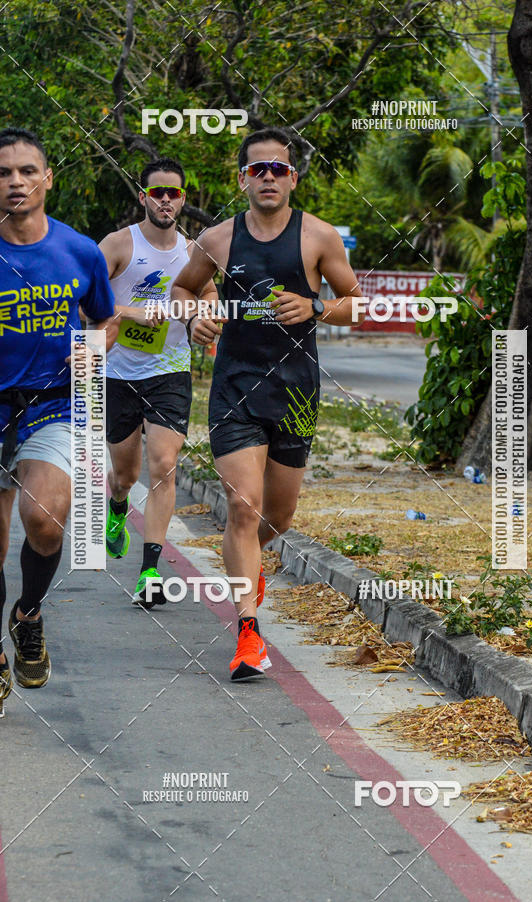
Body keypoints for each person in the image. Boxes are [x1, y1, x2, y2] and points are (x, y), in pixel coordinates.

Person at [171, 127, 364, 680]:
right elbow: (183, 290)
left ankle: (246, 566)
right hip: (235, 386)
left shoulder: (319, 238)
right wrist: (194, 316)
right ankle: (248, 632)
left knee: (277, 516)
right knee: (242, 507)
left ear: (293, 178)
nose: (269, 178)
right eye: (259, 170)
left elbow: (356, 304)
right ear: (243, 179)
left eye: (279, 169)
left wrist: (316, 308)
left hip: (296, 389)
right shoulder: (219, 239)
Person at [0, 127, 115, 713]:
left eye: (26, 171)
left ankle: (28, 614)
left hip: (53, 404)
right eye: (3, 174)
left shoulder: (79, 251)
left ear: (46, 179)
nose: (15, 182)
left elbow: (108, 319)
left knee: (45, 519)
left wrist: (93, 347)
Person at [99, 158, 217, 607]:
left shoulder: (192, 251)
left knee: (164, 465)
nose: (165, 200)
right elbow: (81, 294)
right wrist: (129, 312)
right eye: (157, 192)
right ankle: (116, 506)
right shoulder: (117, 244)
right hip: (117, 372)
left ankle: (150, 571)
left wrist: (206, 314)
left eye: (174, 193)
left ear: (183, 199)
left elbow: (207, 292)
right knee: (127, 473)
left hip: (169, 368)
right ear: (143, 196)